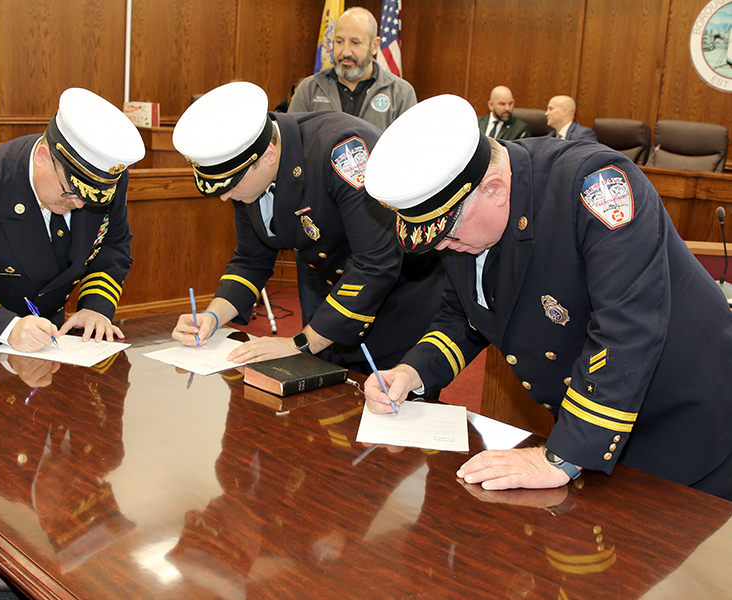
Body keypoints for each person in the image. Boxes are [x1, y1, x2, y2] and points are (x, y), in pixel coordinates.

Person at [362, 94, 732, 500]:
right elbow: (465, 314)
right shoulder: (462, 226)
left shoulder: (595, 185)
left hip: (684, 421)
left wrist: (562, 455)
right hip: (593, 422)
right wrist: (414, 373)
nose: (444, 248)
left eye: (449, 233)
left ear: (495, 189)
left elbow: (627, 328)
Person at [170, 81, 445, 373]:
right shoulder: (248, 173)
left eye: (230, 185)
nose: (224, 196)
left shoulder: (344, 150)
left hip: (400, 299)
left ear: (269, 156)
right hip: (333, 299)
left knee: (386, 403)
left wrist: (300, 343)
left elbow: (376, 262)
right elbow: (252, 259)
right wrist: (213, 316)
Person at [0, 88, 145, 351]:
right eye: (71, 192)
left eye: (91, 198)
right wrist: (8, 327)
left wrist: (95, 308)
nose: (80, 203)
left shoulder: (105, 180)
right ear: (42, 158)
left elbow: (111, 246)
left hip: (46, 338)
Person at [288, 7, 417, 131]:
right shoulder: (309, 89)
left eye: (355, 43)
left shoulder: (401, 94)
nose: (345, 52)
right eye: (339, 41)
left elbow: (409, 149)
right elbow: (290, 143)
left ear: (374, 46)